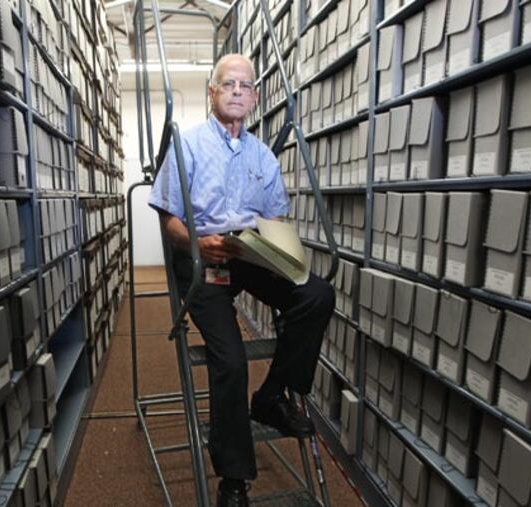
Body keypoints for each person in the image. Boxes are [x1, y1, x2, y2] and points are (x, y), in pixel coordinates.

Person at [148, 53, 334, 507]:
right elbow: (169, 223)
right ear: (212, 91)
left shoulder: (262, 156)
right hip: (200, 258)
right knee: (230, 359)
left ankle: (270, 397)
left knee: (316, 294)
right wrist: (197, 240)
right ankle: (234, 479)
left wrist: (271, 249)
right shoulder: (187, 145)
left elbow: (273, 221)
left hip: (247, 255)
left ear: (253, 97)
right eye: (227, 83)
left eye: (245, 86)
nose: (236, 91)